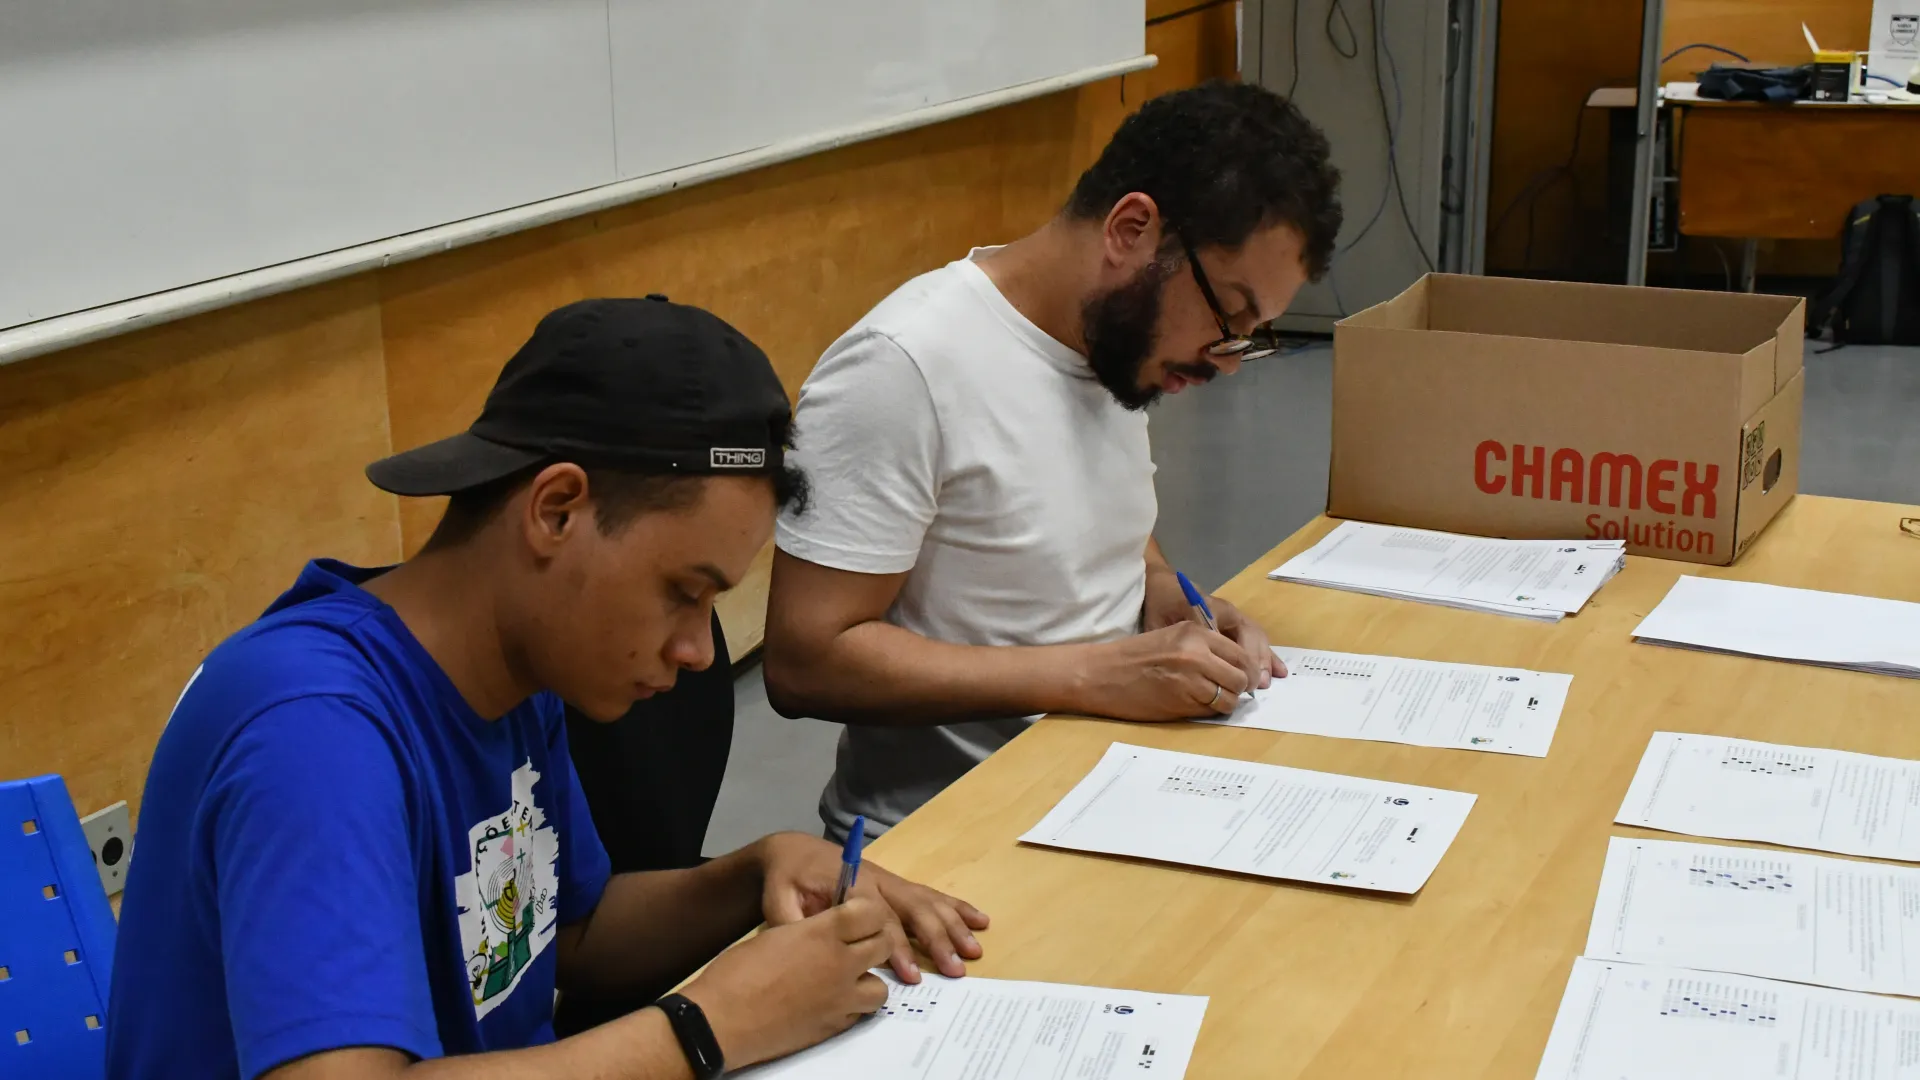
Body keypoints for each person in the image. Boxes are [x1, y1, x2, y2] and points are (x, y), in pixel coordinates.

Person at [107, 297, 990, 1080]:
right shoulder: (314, 734)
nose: (697, 649)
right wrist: (706, 1026)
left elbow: (572, 935)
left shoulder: (516, 679)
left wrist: (754, 869)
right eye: (683, 592)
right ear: (556, 510)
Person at [763, 80, 1344, 842]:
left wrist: (1158, 588)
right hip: (950, 839)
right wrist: (1094, 675)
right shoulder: (904, 367)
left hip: (1106, 787)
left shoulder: (1113, 343)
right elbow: (805, 661)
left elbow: (1081, 515)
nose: (1228, 360)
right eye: (1227, 316)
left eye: (1250, 333)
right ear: (1131, 230)